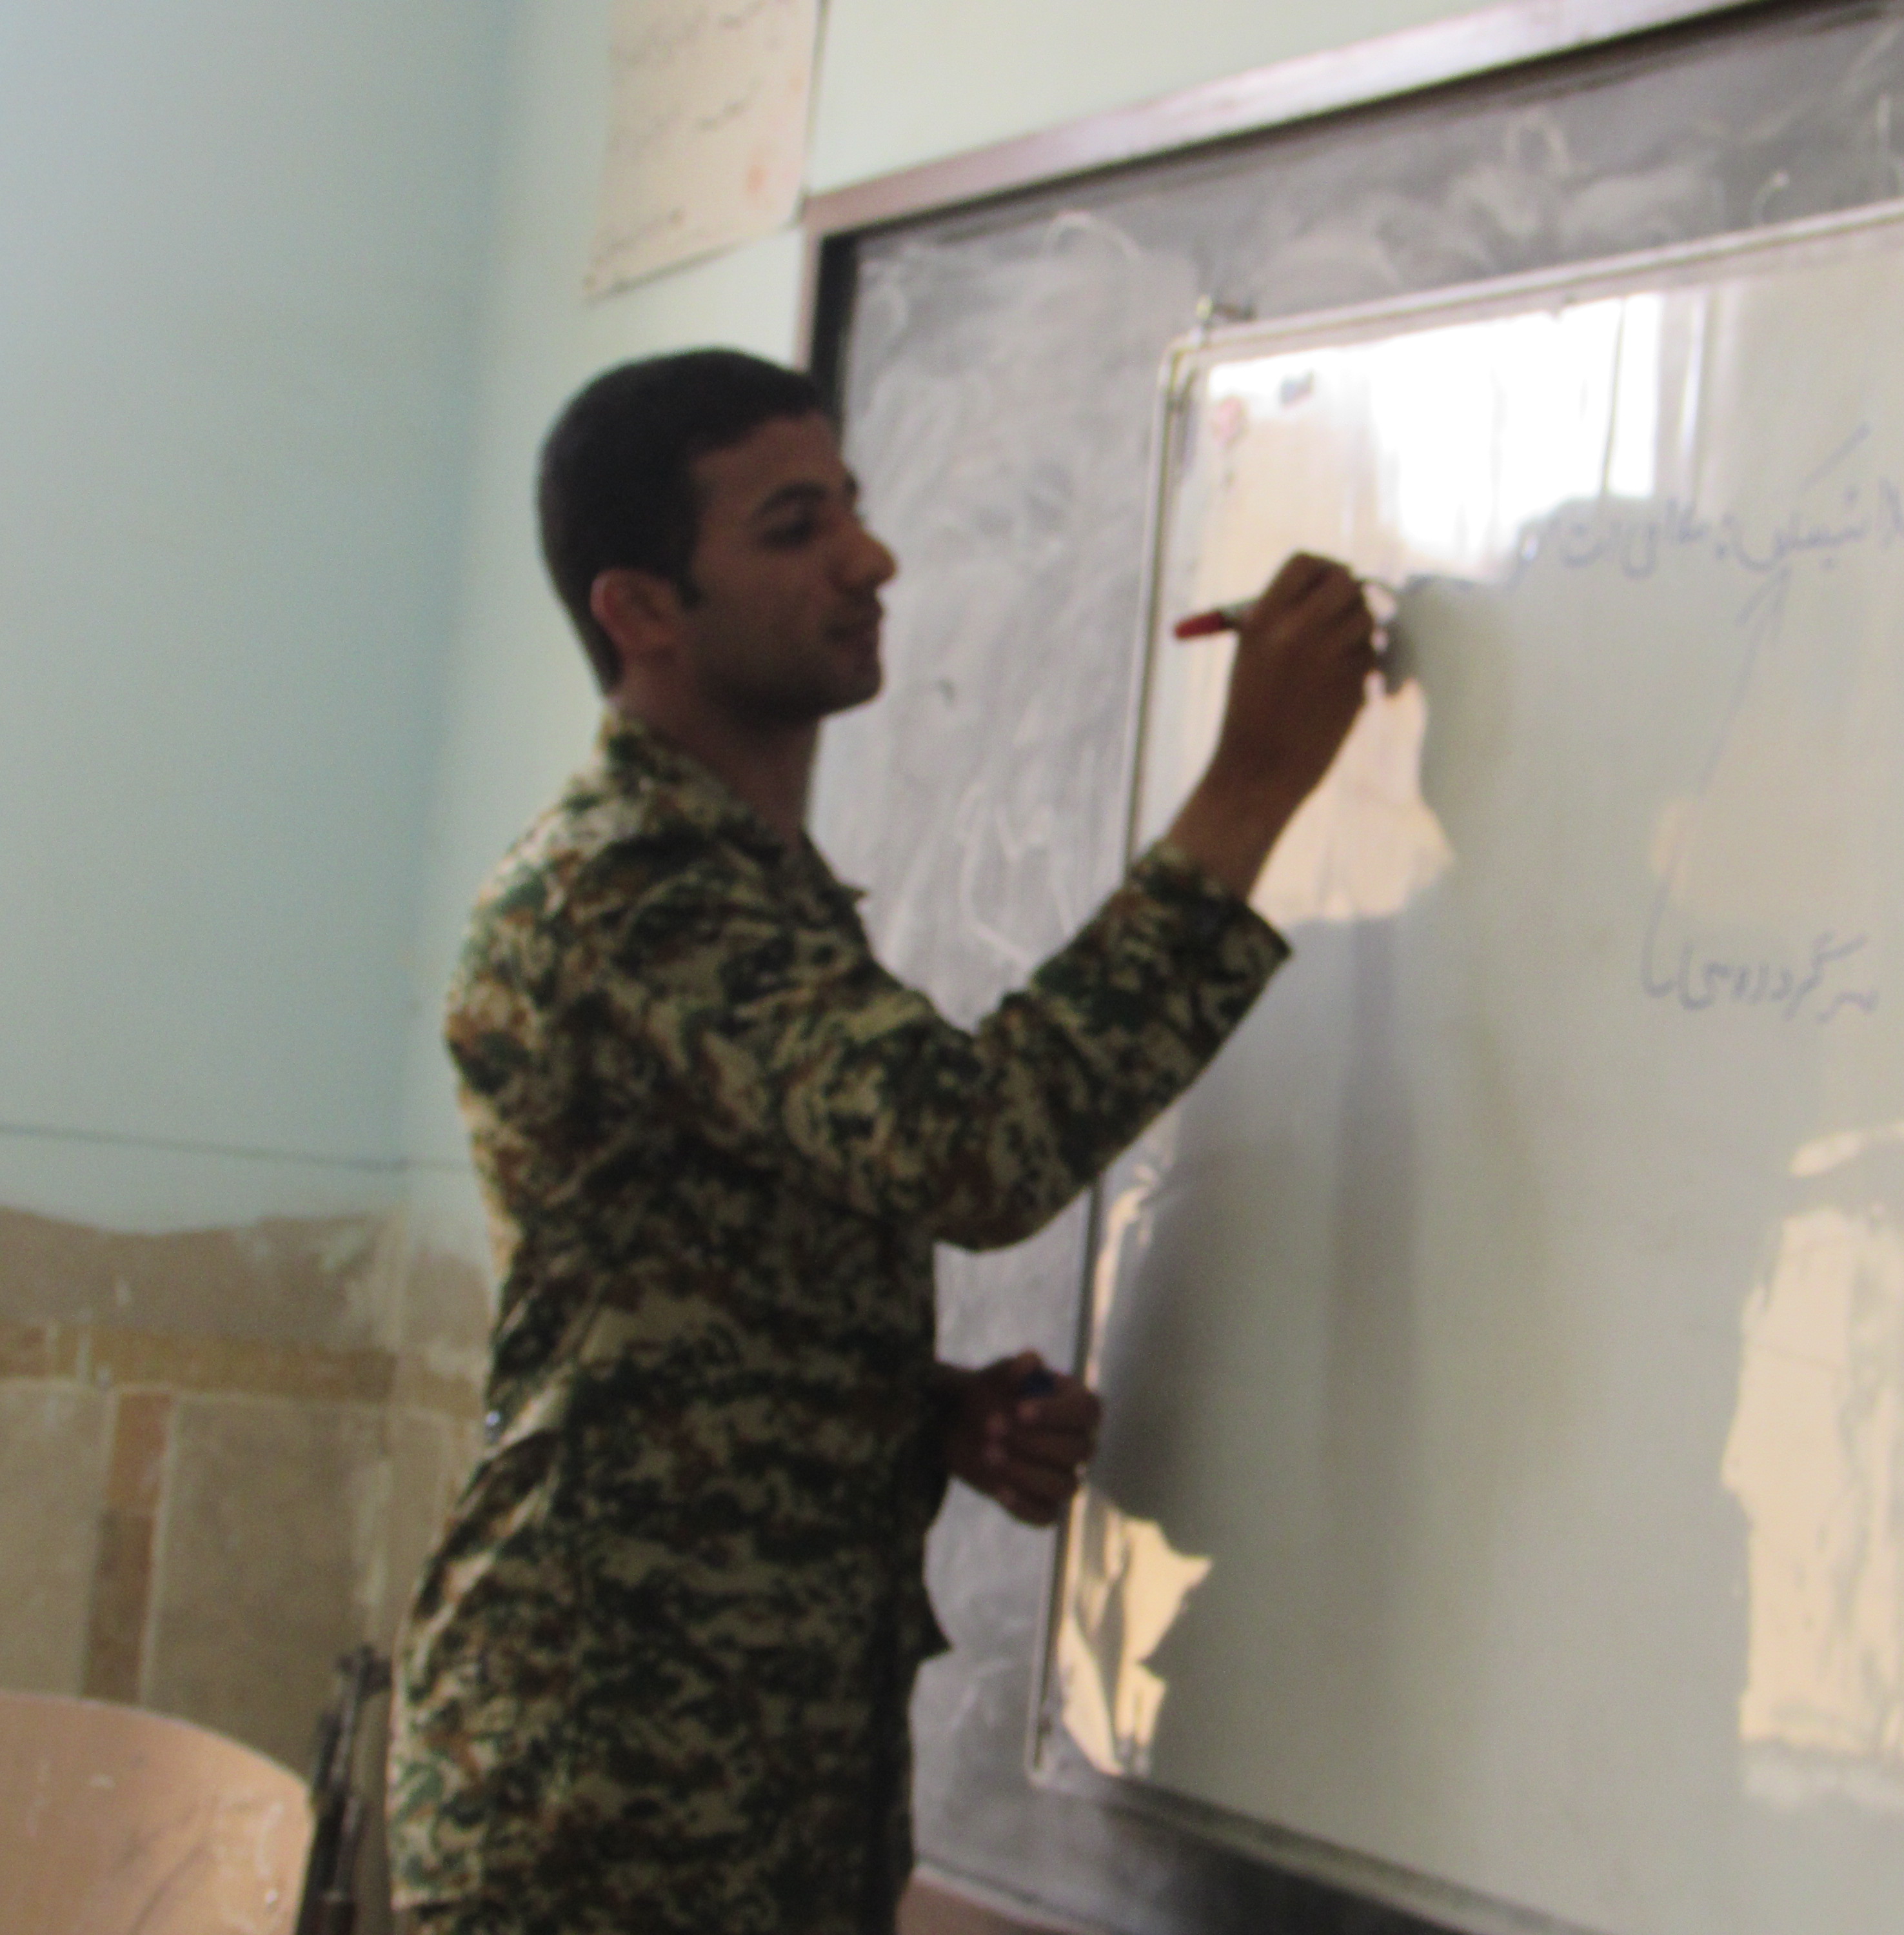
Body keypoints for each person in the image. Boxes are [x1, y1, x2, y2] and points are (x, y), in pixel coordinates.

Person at [386, 349, 1375, 1935]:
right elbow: (969, 1151)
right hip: (608, 1794)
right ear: (639, 608)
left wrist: (915, 1413)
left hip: (756, 1767)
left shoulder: (745, 885)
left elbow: (673, 1312)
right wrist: (1251, 783)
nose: (870, 558)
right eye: (794, 529)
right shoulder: (628, 886)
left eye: (850, 506)